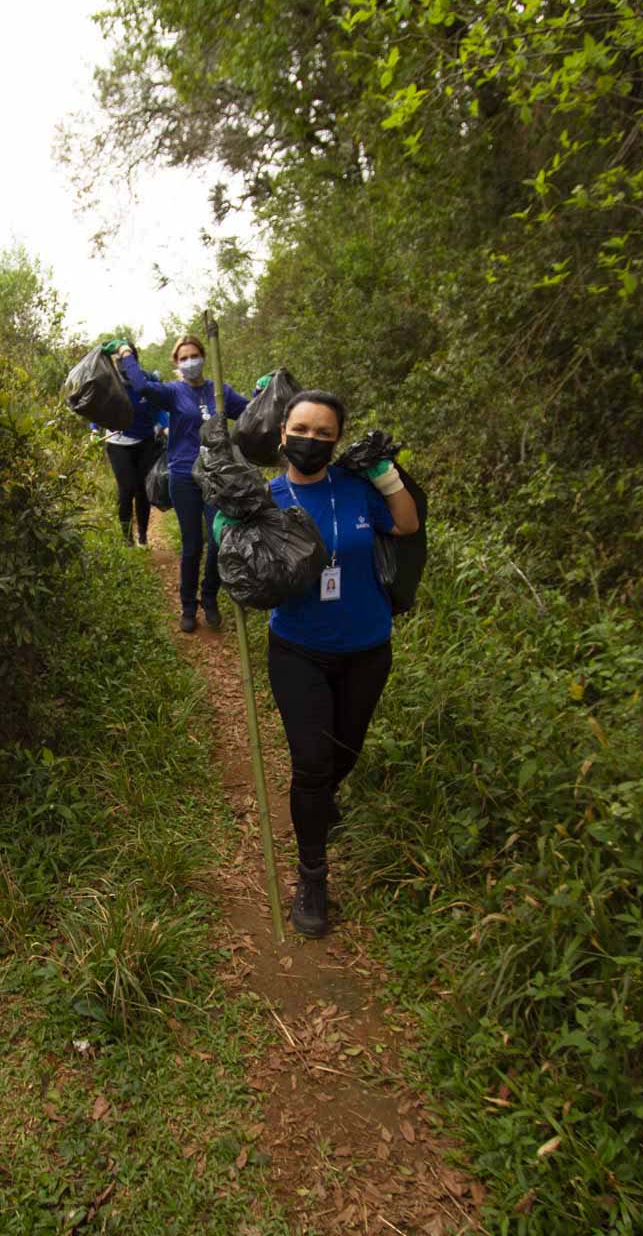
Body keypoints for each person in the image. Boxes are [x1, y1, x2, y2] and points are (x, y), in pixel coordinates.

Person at [218, 389, 420, 937]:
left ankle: (324, 798)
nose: (311, 440)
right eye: (301, 430)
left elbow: (404, 525)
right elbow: (241, 565)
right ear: (282, 434)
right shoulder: (265, 499)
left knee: (343, 755)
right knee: (310, 763)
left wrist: (386, 474)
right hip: (298, 649)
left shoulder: (356, 488)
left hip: (368, 647)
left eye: (324, 433)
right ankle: (312, 875)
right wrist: (229, 531)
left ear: (336, 441)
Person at [108, 335, 248, 631]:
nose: (189, 362)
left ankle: (209, 596)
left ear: (203, 357)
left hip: (217, 475)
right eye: (183, 358)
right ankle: (188, 605)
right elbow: (142, 386)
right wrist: (125, 354)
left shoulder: (220, 391)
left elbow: (249, 413)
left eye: (194, 355)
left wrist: (267, 391)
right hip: (183, 475)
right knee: (192, 544)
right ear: (176, 363)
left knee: (219, 539)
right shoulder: (173, 392)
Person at [91, 368, 168, 547]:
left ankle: (142, 536)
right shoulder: (110, 382)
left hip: (146, 441)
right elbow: (97, 405)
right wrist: (94, 429)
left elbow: (158, 409)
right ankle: (127, 540)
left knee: (142, 490)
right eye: (117, 361)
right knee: (126, 490)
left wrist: (167, 428)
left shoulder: (145, 381)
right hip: (118, 443)